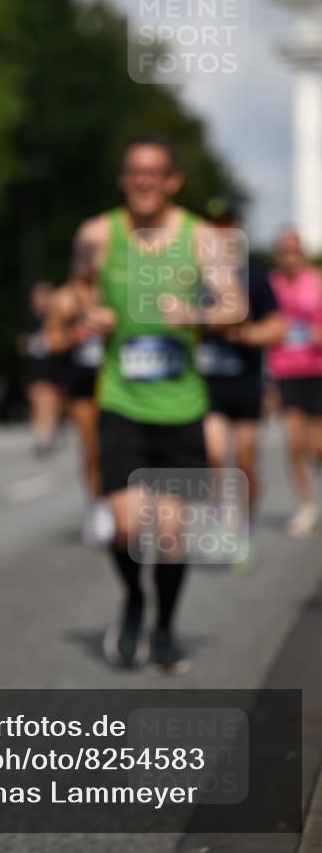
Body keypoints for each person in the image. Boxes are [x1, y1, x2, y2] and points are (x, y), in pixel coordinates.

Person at [74, 136, 245, 671]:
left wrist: (195, 312)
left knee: (169, 534)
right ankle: (133, 600)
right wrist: (91, 309)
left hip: (181, 405)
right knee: (126, 526)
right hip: (121, 400)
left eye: (155, 173)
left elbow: (234, 306)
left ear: (173, 180)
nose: (143, 181)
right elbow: (77, 286)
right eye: (134, 173)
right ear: (124, 179)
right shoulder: (97, 234)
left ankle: (165, 625)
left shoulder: (201, 238)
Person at [196, 200, 285, 552]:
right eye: (212, 225)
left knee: (245, 460)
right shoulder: (191, 273)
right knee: (213, 454)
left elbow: (277, 326)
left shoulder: (254, 274)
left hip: (245, 380)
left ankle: (243, 518)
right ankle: (221, 516)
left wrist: (243, 333)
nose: (218, 232)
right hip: (207, 382)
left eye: (225, 224)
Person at [42, 245, 114, 545]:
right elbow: (51, 340)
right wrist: (76, 333)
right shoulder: (64, 298)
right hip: (81, 380)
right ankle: (98, 507)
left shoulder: (112, 292)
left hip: (116, 379)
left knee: (119, 445)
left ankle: (121, 503)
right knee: (92, 447)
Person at [267, 228, 322, 537]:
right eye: (284, 251)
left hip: (316, 370)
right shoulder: (272, 285)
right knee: (294, 442)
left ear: (303, 253)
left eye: (295, 251)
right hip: (285, 372)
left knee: (318, 447)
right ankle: (306, 505)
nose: (290, 257)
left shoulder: (317, 281)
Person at [18, 281, 66, 455]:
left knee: (51, 401)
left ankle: (48, 431)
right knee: (40, 399)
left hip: (54, 369)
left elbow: (63, 343)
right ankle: (42, 434)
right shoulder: (29, 320)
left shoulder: (59, 319)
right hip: (35, 370)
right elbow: (21, 343)